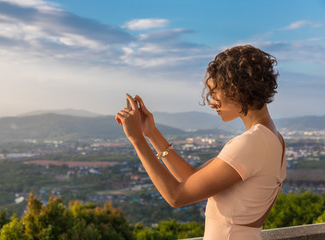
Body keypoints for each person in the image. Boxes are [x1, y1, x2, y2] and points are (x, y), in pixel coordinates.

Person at [115, 45, 286, 240]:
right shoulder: (272, 139)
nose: (211, 102)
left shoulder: (252, 144)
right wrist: (151, 133)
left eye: (215, 92)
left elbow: (176, 196)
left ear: (237, 89)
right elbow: (192, 177)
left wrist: (137, 139)